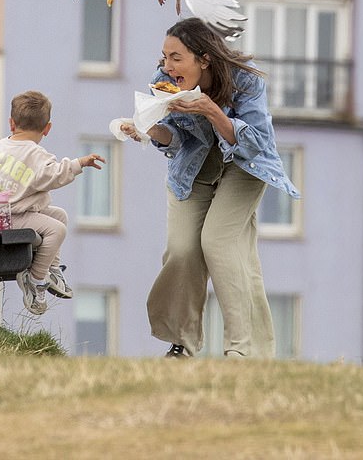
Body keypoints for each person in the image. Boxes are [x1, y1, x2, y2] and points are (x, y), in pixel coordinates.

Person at [121, 18, 299, 359]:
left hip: (245, 167)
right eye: (164, 57)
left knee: (218, 242)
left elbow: (257, 143)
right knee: (183, 249)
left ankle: (242, 350)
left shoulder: (245, 80)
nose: (167, 67)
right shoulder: (165, 83)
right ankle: (182, 343)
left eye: (176, 57)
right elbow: (177, 138)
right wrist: (149, 131)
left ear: (203, 59)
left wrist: (212, 111)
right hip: (194, 169)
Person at [0, 90, 106, 315]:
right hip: (13, 217)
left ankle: (52, 269)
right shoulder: (36, 154)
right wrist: (79, 163)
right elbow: (55, 174)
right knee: (58, 229)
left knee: (59, 215)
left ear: (11, 123)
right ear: (47, 128)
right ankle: (34, 280)